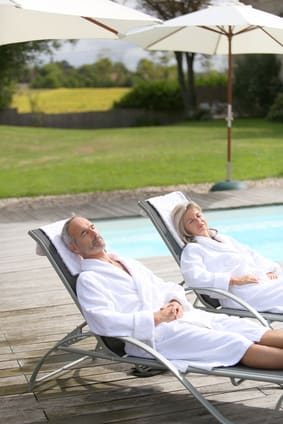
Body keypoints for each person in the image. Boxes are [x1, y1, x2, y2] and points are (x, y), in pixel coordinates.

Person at [60, 215, 283, 372]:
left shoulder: (125, 261)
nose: (93, 233)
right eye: (84, 233)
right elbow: (101, 321)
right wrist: (156, 318)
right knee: (231, 342)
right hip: (155, 337)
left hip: (183, 317)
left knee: (245, 327)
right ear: (75, 248)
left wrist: (175, 301)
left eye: (92, 226)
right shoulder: (89, 279)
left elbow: (164, 285)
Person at [171, 201, 283, 313]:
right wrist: (233, 280)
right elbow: (194, 278)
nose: (199, 221)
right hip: (242, 294)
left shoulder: (224, 239)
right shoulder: (192, 250)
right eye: (191, 221)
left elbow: (251, 254)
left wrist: (268, 270)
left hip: (261, 283)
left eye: (198, 216)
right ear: (185, 229)